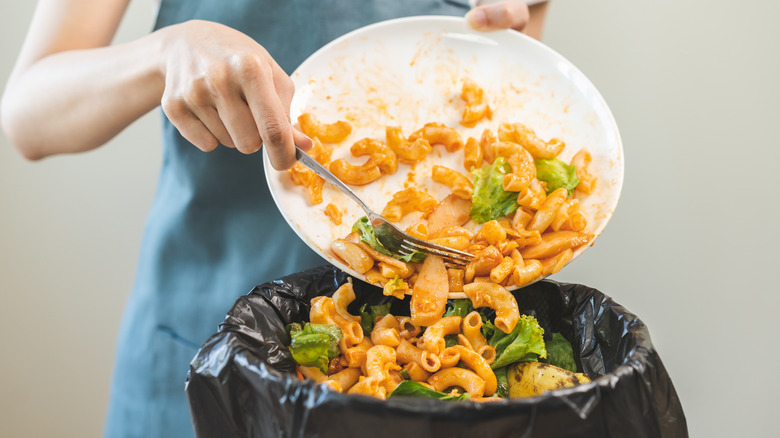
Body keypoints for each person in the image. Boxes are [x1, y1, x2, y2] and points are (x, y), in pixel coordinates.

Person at [1, 0, 549, 436]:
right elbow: (29, 114)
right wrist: (167, 52)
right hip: (202, 342)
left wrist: (512, 34)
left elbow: (511, 94)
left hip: (412, 355)